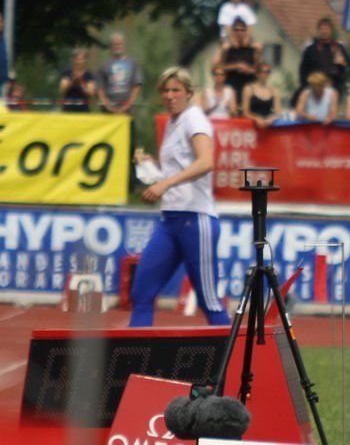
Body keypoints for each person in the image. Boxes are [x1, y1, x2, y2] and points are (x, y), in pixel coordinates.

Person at [129, 67, 230, 327]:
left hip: (196, 219)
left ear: (189, 92)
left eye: (176, 90)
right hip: (171, 219)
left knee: (209, 301)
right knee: (142, 292)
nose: (170, 95)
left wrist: (164, 184)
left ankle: (235, 352)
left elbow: (206, 162)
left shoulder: (194, 118)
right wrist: (152, 167)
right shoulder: (173, 122)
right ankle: (134, 352)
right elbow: (178, 169)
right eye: (165, 90)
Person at [299, 17, 350, 99]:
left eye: (327, 29)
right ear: (318, 30)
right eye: (322, 29)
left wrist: (343, 62)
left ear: (331, 31)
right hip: (315, 87)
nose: (324, 31)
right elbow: (303, 70)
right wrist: (307, 86)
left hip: (334, 87)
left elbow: (349, 65)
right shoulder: (311, 49)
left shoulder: (338, 47)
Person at [213, 18, 261, 105]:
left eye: (242, 30)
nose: (239, 32)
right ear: (232, 31)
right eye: (237, 29)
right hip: (230, 88)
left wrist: (248, 69)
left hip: (248, 89)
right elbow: (216, 67)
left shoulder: (253, 48)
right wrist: (236, 66)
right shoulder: (227, 48)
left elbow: (259, 70)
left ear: (246, 31)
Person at [98, 33, 143, 115]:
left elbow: (137, 86)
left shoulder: (132, 63)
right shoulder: (104, 65)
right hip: (108, 111)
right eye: (115, 44)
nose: (117, 46)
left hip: (128, 110)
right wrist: (107, 105)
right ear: (111, 46)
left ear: (123, 45)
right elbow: (100, 88)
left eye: (119, 44)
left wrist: (128, 104)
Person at [241, 63, 281, 129]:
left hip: (268, 125)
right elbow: (245, 112)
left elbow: (278, 112)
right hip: (252, 125)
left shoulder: (274, 90)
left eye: (268, 72)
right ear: (257, 74)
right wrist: (256, 118)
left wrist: (271, 119)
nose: (267, 74)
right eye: (264, 72)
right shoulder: (249, 89)